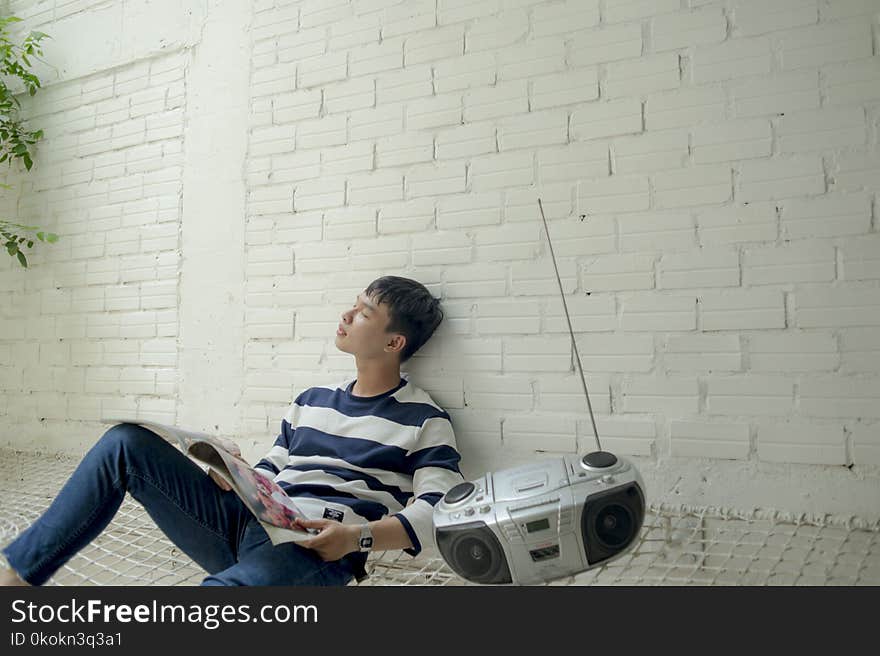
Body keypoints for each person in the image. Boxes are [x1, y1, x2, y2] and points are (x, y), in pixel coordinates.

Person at [1, 275, 464, 586]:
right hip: (249, 521)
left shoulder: (424, 420)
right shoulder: (311, 400)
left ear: (393, 342)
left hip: (317, 548)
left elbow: (437, 513)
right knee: (125, 444)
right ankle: (16, 577)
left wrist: (354, 539)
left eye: (363, 313)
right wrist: (235, 472)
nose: (346, 315)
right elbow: (274, 469)